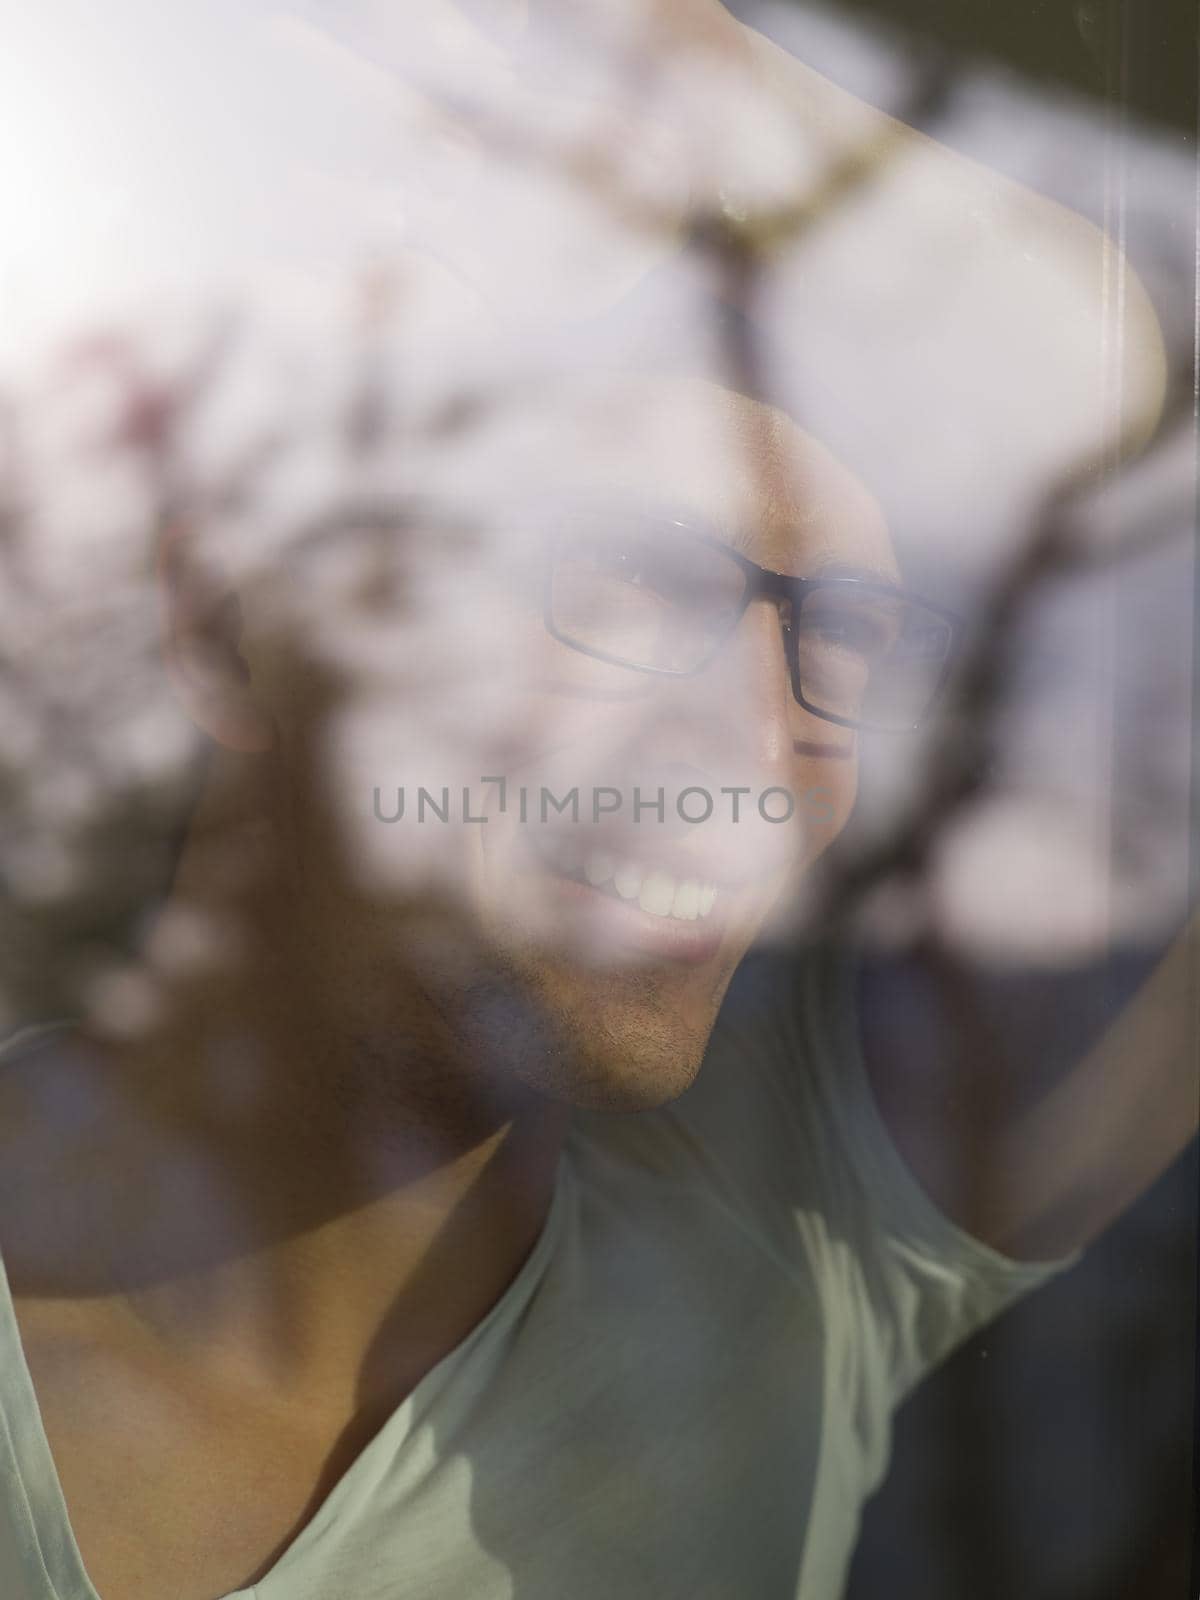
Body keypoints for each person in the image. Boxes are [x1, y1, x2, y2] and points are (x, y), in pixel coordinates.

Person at [0, 5, 1193, 1600]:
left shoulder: (802, 1231)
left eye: (839, 641)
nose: (767, 739)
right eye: (635, 577)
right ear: (232, 622)